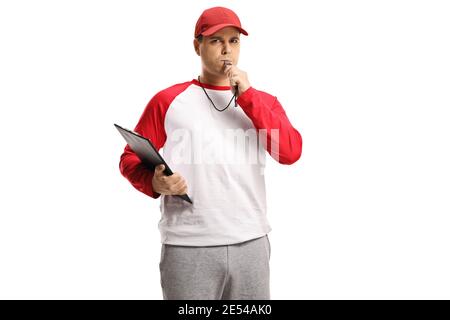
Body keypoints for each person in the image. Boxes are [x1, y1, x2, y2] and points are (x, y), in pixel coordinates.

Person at [119, 6, 302, 300]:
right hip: (189, 244)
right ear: (197, 46)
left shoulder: (263, 101)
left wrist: (249, 97)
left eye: (233, 41)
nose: (226, 50)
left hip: (251, 241)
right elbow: (130, 158)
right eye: (216, 40)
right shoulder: (168, 101)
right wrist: (154, 183)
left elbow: (290, 153)